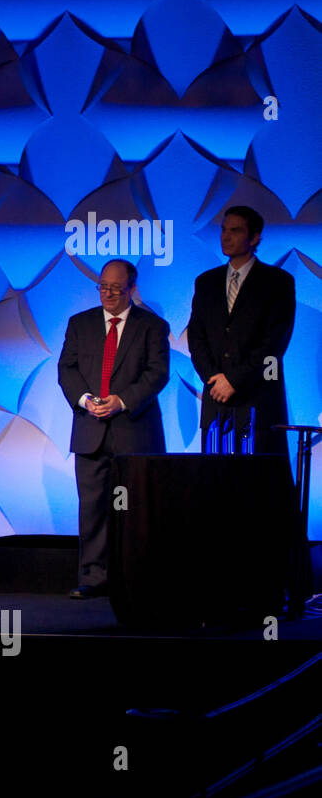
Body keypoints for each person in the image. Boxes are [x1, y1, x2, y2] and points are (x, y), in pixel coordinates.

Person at [57, 259, 170, 599]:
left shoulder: (152, 326)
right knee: (92, 507)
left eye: (115, 289)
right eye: (103, 287)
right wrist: (84, 399)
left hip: (134, 431)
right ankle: (93, 577)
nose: (107, 294)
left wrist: (121, 400)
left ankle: (137, 577)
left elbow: (157, 373)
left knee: (135, 508)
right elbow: (67, 369)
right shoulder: (81, 324)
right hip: (90, 430)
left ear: (131, 289)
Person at [186, 206, 295, 455]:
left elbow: (273, 344)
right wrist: (214, 378)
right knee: (215, 482)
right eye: (224, 230)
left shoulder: (278, 282)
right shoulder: (206, 282)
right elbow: (196, 337)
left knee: (256, 485)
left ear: (254, 237)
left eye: (235, 231)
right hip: (216, 399)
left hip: (258, 399)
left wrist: (234, 380)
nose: (226, 236)